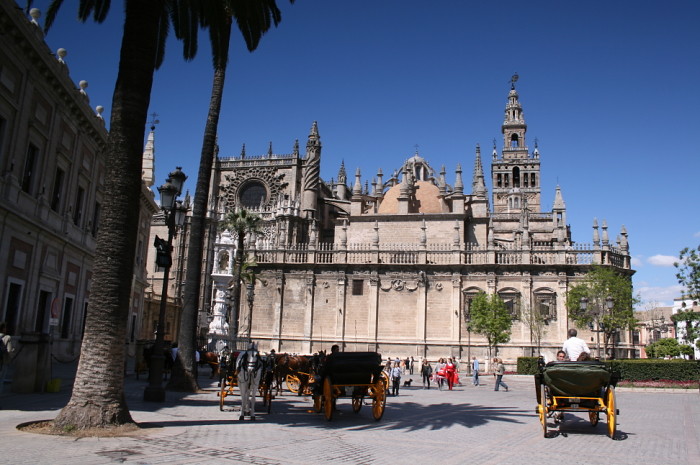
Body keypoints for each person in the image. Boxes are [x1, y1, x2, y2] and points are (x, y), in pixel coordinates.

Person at [0, 322, 16, 394]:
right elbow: (9, 351)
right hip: (3, 361)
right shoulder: (7, 337)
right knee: (1, 380)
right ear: (3, 329)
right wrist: (13, 351)